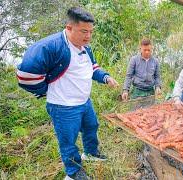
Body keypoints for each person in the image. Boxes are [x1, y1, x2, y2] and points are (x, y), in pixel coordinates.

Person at [16, 7, 118, 179]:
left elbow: (92, 68)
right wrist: (45, 90)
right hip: (64, 107)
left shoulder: (86, 48)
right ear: (69, 27)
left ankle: (91, 153)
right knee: (68, 141)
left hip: (84, 102)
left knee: (91, 127)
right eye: (84, 31)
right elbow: (26, 76)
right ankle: (73, 171)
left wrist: (105, 77)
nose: (88, 36)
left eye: (91, 32)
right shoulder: (51, 46)